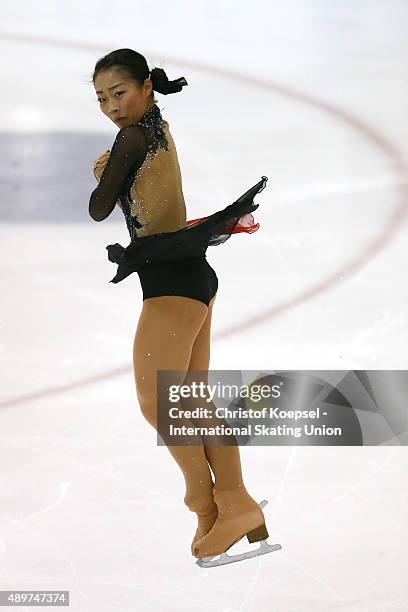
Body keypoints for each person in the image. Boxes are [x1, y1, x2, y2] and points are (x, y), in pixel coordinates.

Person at [88, 48, 278, 567]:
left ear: (146, 86)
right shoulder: (156, 125)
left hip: (174, 285)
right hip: (190, 277)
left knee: (161, 406)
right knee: (191, 403)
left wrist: (104, 167)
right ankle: (231, 506)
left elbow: (98, 206)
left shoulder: (131, 137)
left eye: (119, 93)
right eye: (101, 98)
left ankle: (210, 503)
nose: (111, 106)